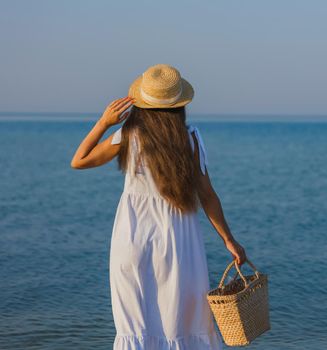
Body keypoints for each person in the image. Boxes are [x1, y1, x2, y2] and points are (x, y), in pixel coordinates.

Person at [71, 64, 247, 350]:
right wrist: (229, 240)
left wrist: (104, 122)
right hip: (178, 241)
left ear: (142, 104)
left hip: (133, 238)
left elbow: (78, 161)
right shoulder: (189, 140)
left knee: (136, 324)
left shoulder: (128, 136)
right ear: (179, 106)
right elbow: (207, 195)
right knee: (182, 320)